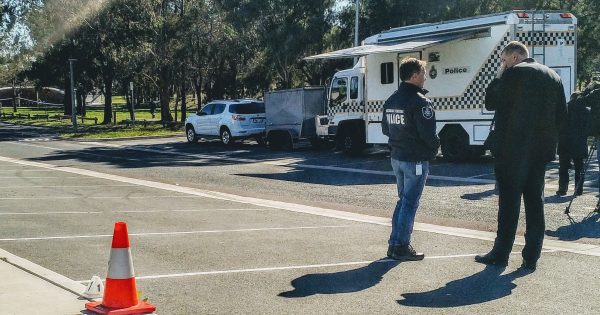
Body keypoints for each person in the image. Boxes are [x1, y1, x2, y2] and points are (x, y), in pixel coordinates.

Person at [477, 41, 567, 272]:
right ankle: (531, 256)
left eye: (503, 60)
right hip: (539, 152)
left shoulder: (513, 73)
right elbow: (561, 116)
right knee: (535, 202)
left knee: (509, 202)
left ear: (515, 57)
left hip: (512, 150)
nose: (502, 64)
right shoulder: (553, 76)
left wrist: (500, 75)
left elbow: (491, 102)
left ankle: (501, 253)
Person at [381, 57, 440, 261]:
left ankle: (394, 244)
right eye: (423, 73)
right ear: (414, 76)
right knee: (409, 203)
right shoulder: (420, 102)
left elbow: (385, 129)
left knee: (403, 201)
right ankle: (401, 246)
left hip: (397, 157)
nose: (425, 77)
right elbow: (429, 135)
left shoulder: (391, 100)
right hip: (415, 159)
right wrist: (435, 149)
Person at [557, 92, 590, 196]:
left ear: (571, 98)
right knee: (579, 167)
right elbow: (589, 127)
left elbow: (558, 123)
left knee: (563, 167)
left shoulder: (565, 108)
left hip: (564, 141)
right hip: (579, 142)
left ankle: (562, 188)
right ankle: (578, 189)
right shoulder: (586, 111)